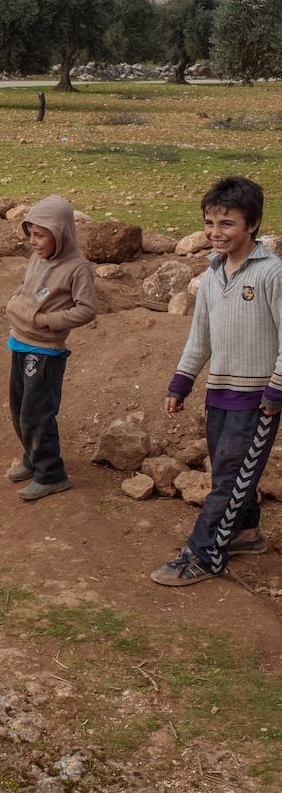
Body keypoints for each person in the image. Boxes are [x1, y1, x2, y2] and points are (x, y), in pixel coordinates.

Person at [153, 176, 281, 586]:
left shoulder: (271, 274)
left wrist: (276, 389)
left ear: (253, 224)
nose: (215, 233)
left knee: (229, 478)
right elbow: (200, 339)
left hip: (258, 400)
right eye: (210, 223)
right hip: (219, 394)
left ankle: (205, 553)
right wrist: (181, 382)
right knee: (230, 469)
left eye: (227, 223)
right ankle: (244, 532)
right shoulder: (211, 276)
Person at [3, 195, 98, 501]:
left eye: (40, 235)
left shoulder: (77, 268)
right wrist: (17, 306)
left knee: (37, 413)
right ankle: (32, 459)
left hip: (45, 352)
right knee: (19, 409)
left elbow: (87, 309)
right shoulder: (37, 258)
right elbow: (24, 290)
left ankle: (51, 474)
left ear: (61, 233)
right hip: (19, 342)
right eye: (30, 233)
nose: (33, 241)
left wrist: (46, 319)